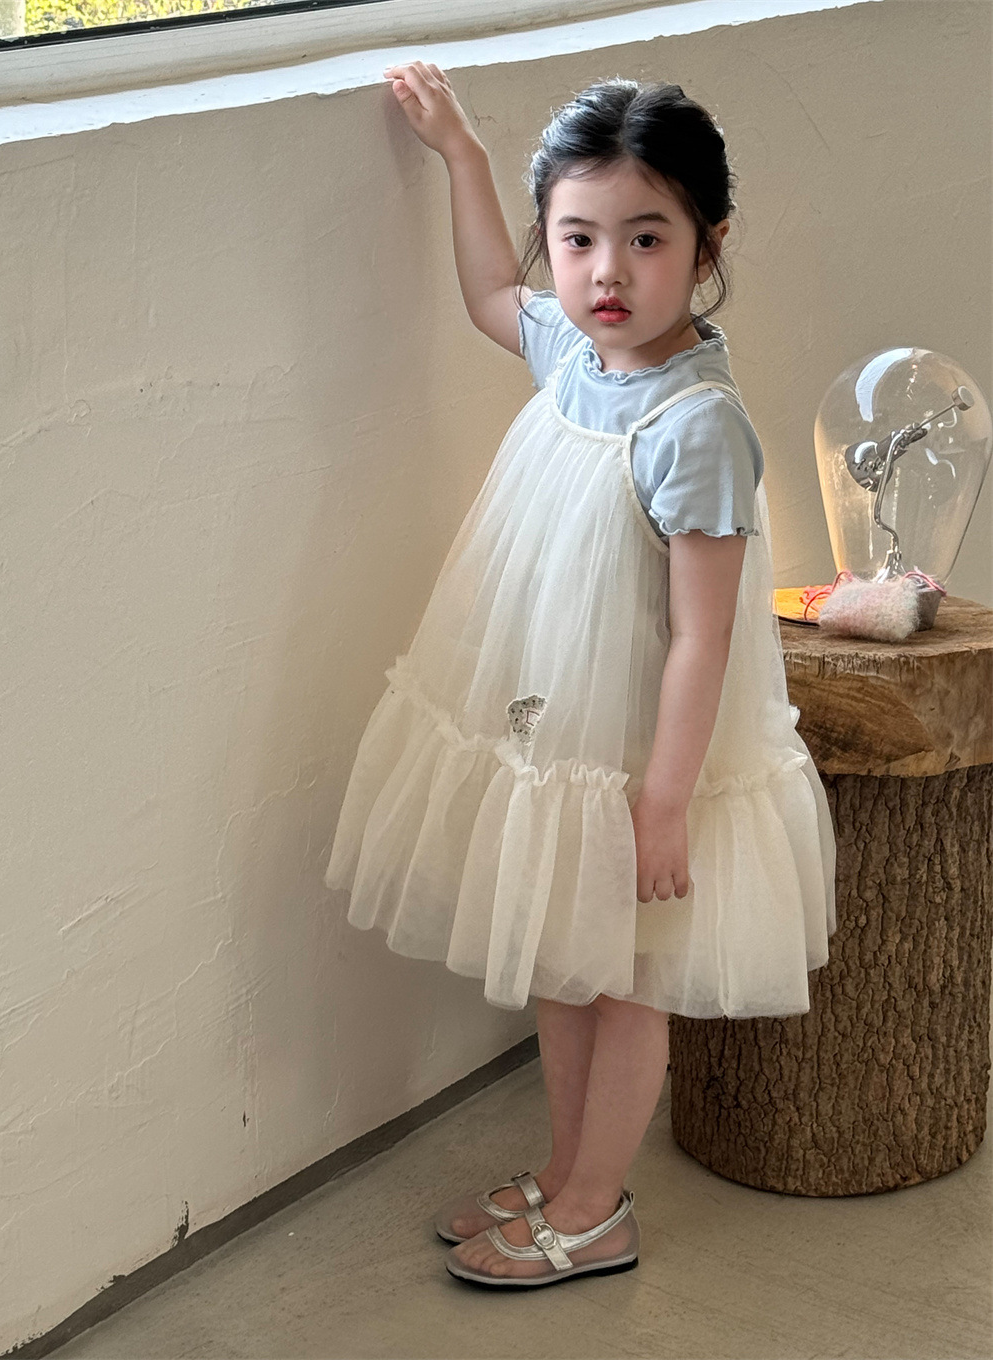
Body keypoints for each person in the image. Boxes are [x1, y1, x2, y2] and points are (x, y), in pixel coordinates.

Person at [324, 63, 837, 1289]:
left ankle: (599, 1205)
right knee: (565, 962)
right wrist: (460, 155)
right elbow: (486, 295)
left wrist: (662, 804)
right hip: (562, 731)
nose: (607, 272)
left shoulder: (695, 425)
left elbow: (705, 636)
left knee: (628, 982)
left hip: (644, 755)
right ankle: (563, 1169)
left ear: (707, 246)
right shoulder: (577, 354)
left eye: (645, 239)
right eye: (578, 238)